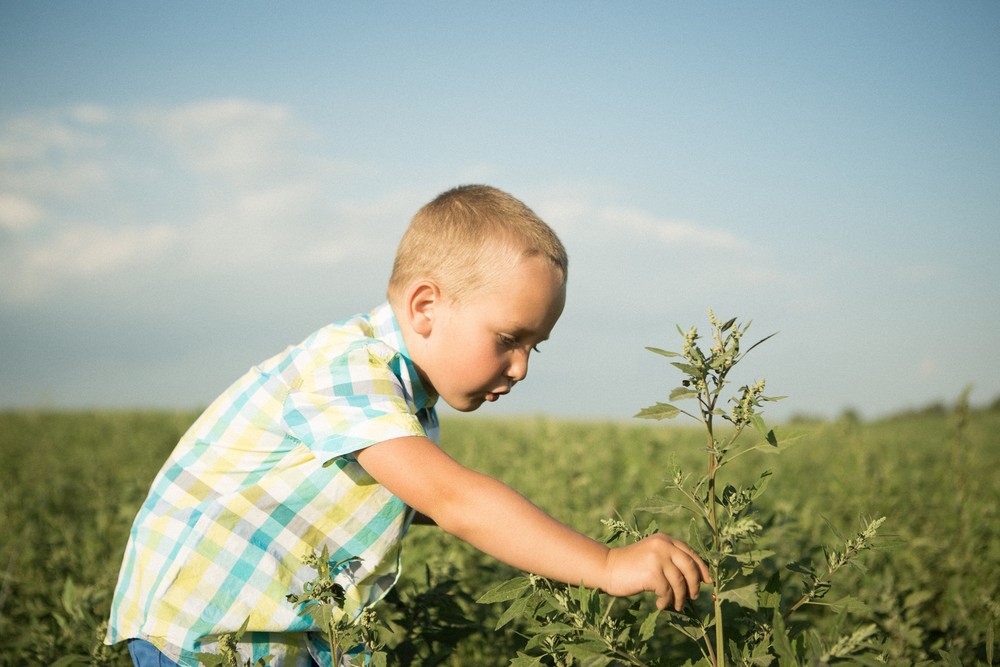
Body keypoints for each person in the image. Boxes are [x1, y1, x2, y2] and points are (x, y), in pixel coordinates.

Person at [105, 184, 711, 666]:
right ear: (425, 308)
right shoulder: (347, 369)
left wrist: (542, 541)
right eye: (508, 339)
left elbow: (420, 499)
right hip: (204, 633)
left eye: (535, 347)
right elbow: (452, 500)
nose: (521, 367)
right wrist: (603, 564)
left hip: (278, 635)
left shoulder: (402, 396)